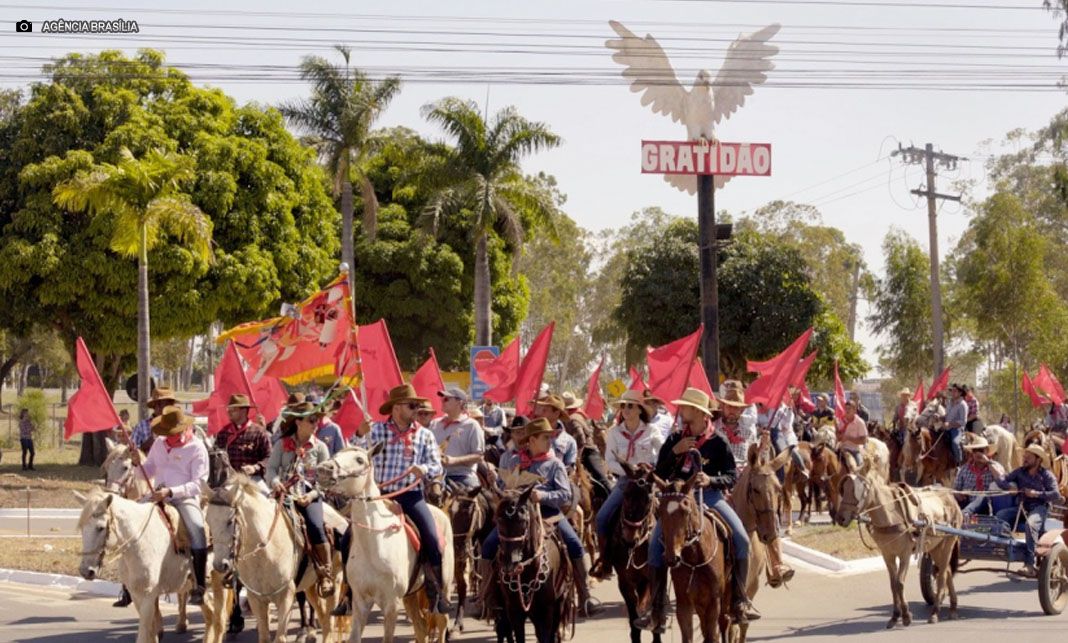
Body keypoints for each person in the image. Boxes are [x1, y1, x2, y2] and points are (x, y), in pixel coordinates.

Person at [642, 387, 759, 632]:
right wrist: (675, 452)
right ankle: (657, 606)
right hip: (676, 499)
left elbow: (730, 476)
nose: (680, 410)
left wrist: (711, 480)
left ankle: (739, 600)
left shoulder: (718, 441)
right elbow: (659, 473)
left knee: (741, 539)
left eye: (684, 406)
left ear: (697, 411)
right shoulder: (674, 439)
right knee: (654, 544)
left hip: (710, 497)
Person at [480, 417, 602, 616]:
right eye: (545, 437)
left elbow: (565, 495)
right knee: (488, 545)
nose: (550, 441)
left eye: (550, 437)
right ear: (532, 440)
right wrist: (498, 485)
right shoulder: (514, 461)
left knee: (574, 544)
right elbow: (503, 491)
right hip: (518, 517)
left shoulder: (555, 465)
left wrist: (542, 495)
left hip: (549, 514)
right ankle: (487, 597)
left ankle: (585, 597)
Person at [355, 384, 449, 614]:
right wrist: (359, 434)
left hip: (410, 495)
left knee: (431, 536)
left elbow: (437, 464)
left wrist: (424, 468)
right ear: (396, 408)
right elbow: (354, 455)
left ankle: (435, 590)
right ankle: (349, 594)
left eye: (417, 405)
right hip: (379, 497)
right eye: (412, 405)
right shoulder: (375, 431)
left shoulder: (425, 434)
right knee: (349, 535)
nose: (417, 409)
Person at [130, 406, 210, 604]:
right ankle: (127, 584)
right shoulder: (159, 443)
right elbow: (147, 471)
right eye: (165, 433)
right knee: (131, 520)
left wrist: (172, 492)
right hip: (157, 495)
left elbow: (198, 483)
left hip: (184, 497)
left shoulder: (197, 447)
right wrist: (136, 463)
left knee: (197, 529)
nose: (167, 437)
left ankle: (199, 584)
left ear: (183, 429)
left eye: (171, 433)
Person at [590, 390, 664, 580]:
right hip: (626, 483)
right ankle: (605, 562)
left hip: (649, 483)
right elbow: (609, 462)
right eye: (623, 406)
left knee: (671, 515)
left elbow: (663, 455)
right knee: (601, 518)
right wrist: (630, 470)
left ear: (640, 409)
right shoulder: (614, 432)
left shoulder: (652, 431)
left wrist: (651, 470)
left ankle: (670, 557)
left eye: (630, 405)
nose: (625, 410)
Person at [267, 401, 335, 597]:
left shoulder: (320, 447)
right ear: (298, 422)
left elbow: (326, 480)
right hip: (284, 495)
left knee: (316, 526)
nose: (316, 424)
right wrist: (275, 482)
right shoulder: (282, 444)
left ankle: (326, 574)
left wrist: (312, 495)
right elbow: (271, 469)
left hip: (309, 497)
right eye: (311, 420)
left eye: (317, 420)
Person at [994, 444, 1063, 577]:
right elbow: (1003, 480)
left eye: (1028, 457)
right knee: (1000, 515)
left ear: (1038, 460)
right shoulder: (1019, 471)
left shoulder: (1047, 475)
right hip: (1022, 507)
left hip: (1040, 508)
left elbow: (1056, 494)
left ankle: (1030, 564)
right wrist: (1008, 486)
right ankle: (1007, 548)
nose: (1024, 459)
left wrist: (1036, 494)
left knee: (1030, 525)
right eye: (1025, 456)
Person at [429, 386, 484, 489]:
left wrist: (454, 461)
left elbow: (479, 456)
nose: (442, 401)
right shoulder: (434, 424)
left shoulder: (472, 425)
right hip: (435, 477)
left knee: (471, 500)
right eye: (442, 399)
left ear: (459, 402)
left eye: (446, 399)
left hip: (462, 476)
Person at [215, 394, 272, 488]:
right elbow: (216, 456)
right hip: (228, 479)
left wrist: (255, 468)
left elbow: (269, 457)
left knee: (265, 495)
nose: (229, 412)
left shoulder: (259, 432)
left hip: (253, 478)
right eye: (229, 409)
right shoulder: (223, 433)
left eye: (233, 410)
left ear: (244, 411)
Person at [952, 437, 1005, 517]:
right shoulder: (965, 469)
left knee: (982, 495)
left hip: (988, 504)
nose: (977, 454)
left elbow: (1002, 481)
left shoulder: (995, 466)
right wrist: (959, 495)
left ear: (987, 451)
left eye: (981, 451)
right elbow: (956, 489)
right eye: (975, 451)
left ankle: (964, 514)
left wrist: (987, 462)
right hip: (967, 501)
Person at [532, 395, 578, 472]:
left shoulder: (569, 441)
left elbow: (570, 468)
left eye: (545, 410)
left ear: (556, 414)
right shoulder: (533, 435)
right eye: (542, 410)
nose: (541, 413)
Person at [716, 386, 757, 469]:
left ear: (741, 411)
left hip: (741, 477)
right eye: (729, 406)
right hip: (717, 476)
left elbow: (755, 459)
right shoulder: (712, 429)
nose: (732, 410)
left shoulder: (748, 433)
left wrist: (763, 446)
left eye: (736, 407)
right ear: (723, 407)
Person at [837, 400, 868, 469]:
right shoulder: (842, 420)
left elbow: (863, 440)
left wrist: (848, 438)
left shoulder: (860, 422)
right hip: (842, 449)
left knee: (860, 466)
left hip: (854, 450)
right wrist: (838, 436)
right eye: (846, 409)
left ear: (854, 410)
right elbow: (838, 435)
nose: (847, 411)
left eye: (849, 409)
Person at [944, 383, 968, 466]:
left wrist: (950, 424)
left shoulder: (963, 404)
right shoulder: (949, 403)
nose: (952, 392)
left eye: (954, 391)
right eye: (952, 391)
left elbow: (963, 422)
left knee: (955, 443)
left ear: (960, 393)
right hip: (946, 428)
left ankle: (959, 463)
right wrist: (939, 417)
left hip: (957, 429)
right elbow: (946, 416)